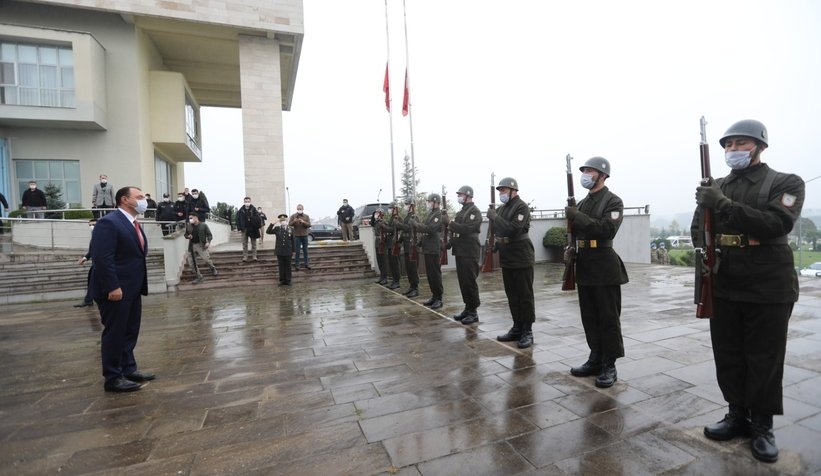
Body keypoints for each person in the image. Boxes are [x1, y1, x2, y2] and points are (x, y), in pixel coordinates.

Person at [692, 119, 804, 463]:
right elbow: (698, 226)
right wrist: (705, 255)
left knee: (764, 357)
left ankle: (763, 425)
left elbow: (775, 223)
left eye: (741, 143)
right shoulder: (718, 183)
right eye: (728, 145)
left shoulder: (785, 183)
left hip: (767, 282)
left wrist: (723, 204)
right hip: (725, 280)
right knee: (728, 353)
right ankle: (737, 415)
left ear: (759, 147)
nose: (733, 150)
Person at [565, 157, 629, 388]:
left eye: (590, 171)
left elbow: (606, 230)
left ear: (602, 175)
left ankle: (609, 364)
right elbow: (576, 232)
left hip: (604, 265)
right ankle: (595, 358)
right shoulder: (582, 203)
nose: (586, 175)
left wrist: (576, 216)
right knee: (590, 317)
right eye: (584, 171)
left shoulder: (613, 201)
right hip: (585, 265)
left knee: (608, 318)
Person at [88, 186, 154, 392]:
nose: (144, 200)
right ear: (125, 200)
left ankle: (128, 368)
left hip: (132, 289)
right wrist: (113, 286)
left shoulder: (133, 223)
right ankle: (113, 376)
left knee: (129, 331)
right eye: (139, 197)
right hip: (116, 290)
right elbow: (102, 258)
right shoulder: (109, 222)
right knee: (115, 333)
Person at [489, 177, 536, 349]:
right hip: (507, 255)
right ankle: (517, 327)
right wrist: (494, 244)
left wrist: (495, 217)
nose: (501, 193)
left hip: (521, 255)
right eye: (500, 190)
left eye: (504, 190)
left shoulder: (521, 207)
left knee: (524, 295)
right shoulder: (502, 209)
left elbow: (513, 229)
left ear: (514, 190)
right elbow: (499, 230)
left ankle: (527, 331)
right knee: (512, 295)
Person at [448, 185, 483, 324]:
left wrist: (450, 223)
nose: (459, 197)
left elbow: (467, 229)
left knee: (470, 281)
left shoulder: (474, 211)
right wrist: (449, 243)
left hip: (469, 251)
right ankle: (468, 308)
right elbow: (456, 231)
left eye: (461, 194)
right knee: (463, 282)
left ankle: (473, 311)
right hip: (460, 251)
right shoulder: (461, 212)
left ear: (468, 195)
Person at [413, 193, 443, 309]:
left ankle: (439, 298)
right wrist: (419, 242)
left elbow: (430, 229)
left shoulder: (438, 215)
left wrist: (416, 225)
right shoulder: (431, 214)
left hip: (433, 248)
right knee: (430, 275)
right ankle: (434, 296)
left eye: (430, 201)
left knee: (435, 274)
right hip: (427, 248)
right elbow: (425, 231)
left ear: (436, 203)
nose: (429, 203)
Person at [394, 198, 420, 297]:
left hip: (411, 245)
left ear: (411, 205)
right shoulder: (407, 217)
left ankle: (415, 288)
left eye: (407, 204)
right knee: (408, 268)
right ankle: (411, 286)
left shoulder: (414, 217)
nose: (405, 206)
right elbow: (405, 231)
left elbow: (410, 228)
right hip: (406, 245)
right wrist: (398, 241)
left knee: (413, 268)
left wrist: (399, 225)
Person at [185, 213, 218, 284]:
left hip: (201, 245)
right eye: (189, 218)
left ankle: (212, 268)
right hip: (191, 246)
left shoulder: (203, 225)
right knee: (191, 263)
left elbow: (210, 235)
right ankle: (199, 276)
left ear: (196, 217)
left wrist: (208, 242)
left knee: (206, 259)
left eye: (191, 218)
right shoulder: (189, 226)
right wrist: (188, 236)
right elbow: (186, 234)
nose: (190, 220)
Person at [73, 219, 97, 308]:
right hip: (95, 264)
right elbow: (92, 250)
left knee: (93, 282)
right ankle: (89, 300)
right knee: (91, 281)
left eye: (94, 224)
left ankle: (89, 300)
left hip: (101, 264)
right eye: (90, 225)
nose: (92, 227)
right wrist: (84, 258)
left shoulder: (102, 235)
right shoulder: (94, 236)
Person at [378, 203, 401, 289]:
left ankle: (397, 281)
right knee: (391, 263)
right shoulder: (392, 218)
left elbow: (392, 229)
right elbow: (390, 227)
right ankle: (394, 280)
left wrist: (384, 226)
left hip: (394, 243)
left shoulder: (397, 218)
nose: (390, 210)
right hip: (390, 243)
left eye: (391, 208)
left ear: (395, 209)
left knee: (395, 263)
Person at [236, 197, 262, 262]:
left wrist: (251, 218)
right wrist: (239, 228)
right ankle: (245, 256)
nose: (247, 202)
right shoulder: (241, 210)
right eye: (246, 201)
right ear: (244, 202)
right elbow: (237, 219)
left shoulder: (254, 209)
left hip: (252, 229)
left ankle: (254, 256)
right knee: (244, 243)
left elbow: (258, 218)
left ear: (250, 201)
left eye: (248, 201)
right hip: (244, 229)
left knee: (254, 243)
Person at [272, 213, 294, 285]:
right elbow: (268, 231)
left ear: (286, 221)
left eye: (284, 220)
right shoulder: (277, 229)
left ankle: (288, 280)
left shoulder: (291, 229)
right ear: (280, 222)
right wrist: (273, 224)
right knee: (281, 266)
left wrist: (293, 250)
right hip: (280, 251)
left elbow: (293, 240)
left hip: (288, 251)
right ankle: (282, 280)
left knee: (288, 266)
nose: (283, 222)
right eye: (281, 221)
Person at [289, 204, 312, 270]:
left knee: (305, 250)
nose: (299, 210)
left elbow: (309, 225)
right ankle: (297, 265)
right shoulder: (293, 216)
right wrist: (294, 221)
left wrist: (303, 222)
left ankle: (306, 264)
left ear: (303, 209)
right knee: (297, 251)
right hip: (297, 236)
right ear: (297, 209)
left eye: (300, 209)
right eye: (298, 209)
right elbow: (289, 224)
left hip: (304, 235)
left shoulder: (306, 216)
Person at [371, 207, 389, 285]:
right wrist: (373, 214)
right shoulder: (376, 222)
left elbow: (387, 230)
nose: (376, 214)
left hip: (382, 242)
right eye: (376, 213)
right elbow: (371, 223)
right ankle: (382, 277)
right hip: (377, 242)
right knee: (379, 261)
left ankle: (385, 278)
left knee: (383, 261)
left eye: (378, 213)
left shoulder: (383, 222)